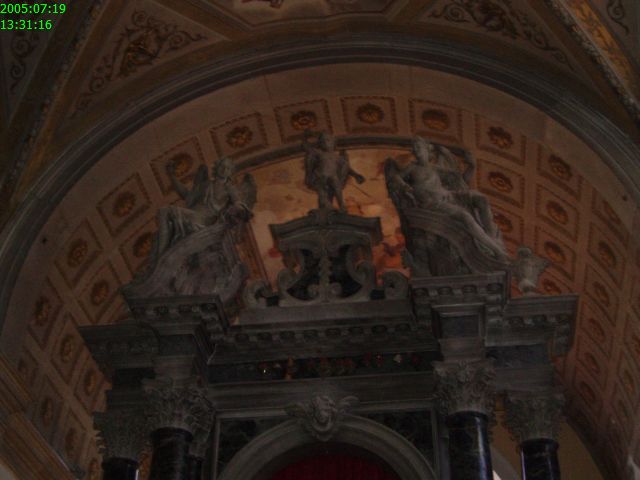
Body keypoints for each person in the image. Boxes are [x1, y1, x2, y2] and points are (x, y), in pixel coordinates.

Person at [384, 137, 506, 260]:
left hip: (449, 196)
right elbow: (395, 177)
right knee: (465, 217)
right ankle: (495, 249)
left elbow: (460, 179)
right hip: (433, 203)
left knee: (481, 199)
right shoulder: (412, 168)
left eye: (419, 147)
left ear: (427, 149)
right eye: (414, 148)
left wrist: (472, 166)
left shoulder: (435, 169)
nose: (416, 150)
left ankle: (491, 236)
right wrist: (405, 186)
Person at [302, 131, 365, 211]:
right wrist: (305, 138)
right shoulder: (319, 153)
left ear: (334, 143)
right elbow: (307, 148)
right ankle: (326, 206)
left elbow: (347, 168)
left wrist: (356, 175)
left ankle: (341, 206)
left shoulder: (337, 157)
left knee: (338, 189)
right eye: (323, 141)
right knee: (322, 192)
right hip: (321, 175)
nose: (326, 142)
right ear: (320, 144)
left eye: (328, 140)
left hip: (333, 176)